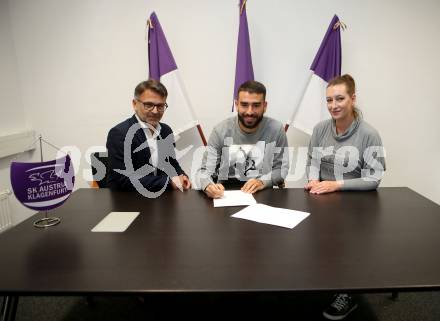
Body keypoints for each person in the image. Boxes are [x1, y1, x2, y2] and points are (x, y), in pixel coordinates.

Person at [305, 74, 386, 320]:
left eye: (339, 98)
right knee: (317, 245)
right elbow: (311, 160)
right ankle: (326, 281)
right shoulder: (320, 129)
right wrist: (312, 180)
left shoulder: (369, 134)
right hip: (322, 197)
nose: (333, 105)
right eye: (329, 100)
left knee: (349, 248)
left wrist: (336, 185)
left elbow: (374, 179)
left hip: (355, 204)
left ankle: (348, 293)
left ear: (353, 98)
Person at [197, 80, 289, 198]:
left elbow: (281, 169)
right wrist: (207, 185)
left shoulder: (276, 130)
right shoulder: (220, 130)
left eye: (256, 105)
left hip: (263, 191)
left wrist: (262, 182)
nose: (249, 111)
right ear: (236, 105)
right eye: (244, 105)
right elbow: (204, 170)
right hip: (225, 194)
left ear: (264, 106)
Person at [106, 79, 191, 193]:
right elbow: (123, 179)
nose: (155, 111)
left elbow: (171, 163)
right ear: (135, 104)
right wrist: (168, 181)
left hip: (162, 200)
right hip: (128, 201)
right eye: (149, 105)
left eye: (160, 106)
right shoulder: (119, 133)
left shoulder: (166, 131)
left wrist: (182, 176)